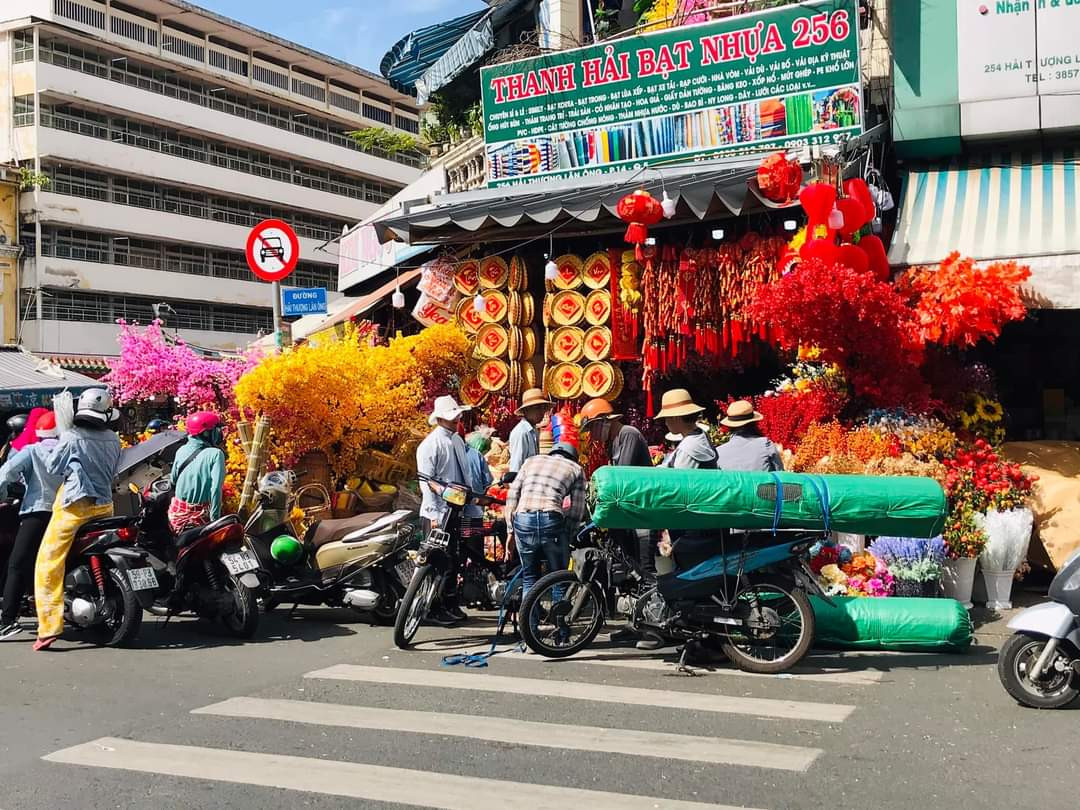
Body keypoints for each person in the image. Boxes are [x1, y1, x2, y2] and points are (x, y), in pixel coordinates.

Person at [33, 388, 122, 651]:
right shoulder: (113, 440)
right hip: (105, 507)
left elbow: (53, 467)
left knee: (48, 563)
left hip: (74, 508)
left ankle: (48, 628)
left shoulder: (71, 436)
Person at [0, 412, 64, 640]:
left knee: (17, 564)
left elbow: (6, 473)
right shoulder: (69, 449)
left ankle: (7, 620)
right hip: (67, 512)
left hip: (38, 512)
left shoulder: (31, 450)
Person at [415, 395, 473, 625]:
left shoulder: (457, 440)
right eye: (452, 416)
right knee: (439, 561)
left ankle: (449, 602)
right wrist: (433, 515)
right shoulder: (430, 444)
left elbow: (464, 474)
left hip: (457, 508)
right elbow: (426, 482)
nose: (456, 419)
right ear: (440, 418)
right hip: (438, 512)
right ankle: (433, 607)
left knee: (454, 559)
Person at [505, 442, 587, 597]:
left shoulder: (531, 461)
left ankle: (529, 621)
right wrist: (567, 537)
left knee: (530, 579)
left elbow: (512, 495)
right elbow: (577, 511)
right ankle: (559, 621)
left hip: (523, 518)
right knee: (558, 578)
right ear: (573, 458)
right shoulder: (576, 469)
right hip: (550, 518)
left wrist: (510, 531)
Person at [167, 411, 228, 534]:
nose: (219, 433)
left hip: (176, 516)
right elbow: (215, 489)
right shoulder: (216, 454)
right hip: (198, 518)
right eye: (216, 429)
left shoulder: (181, 450)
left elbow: (172, 480)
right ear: (206, 432)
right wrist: (214, 521)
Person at [655, 389, 718, 469]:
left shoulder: (687, 449)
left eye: (666, 418)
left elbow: (680, 479)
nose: (666, 423)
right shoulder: (701, 436)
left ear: (675, 418)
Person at [714, 400, 784, 472]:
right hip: (761, 483)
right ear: (754, 423)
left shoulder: (718, 452)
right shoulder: (766, 445)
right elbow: (780, 475)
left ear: (729, 426)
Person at [580, 398, 651, 468]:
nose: (592, 434)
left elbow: (623, 472)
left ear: (603, 421)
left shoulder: (628, 434)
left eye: (592, 428)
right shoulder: (612, 442)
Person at [507, 388, 553, 475]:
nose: (542, 412)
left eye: (543, 408)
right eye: (538, 408)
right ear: (527, 410)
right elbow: (516, 469)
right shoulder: (521, 433)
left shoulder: (534, 430)